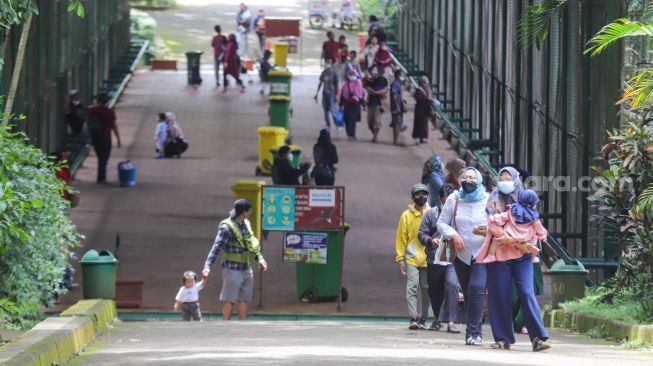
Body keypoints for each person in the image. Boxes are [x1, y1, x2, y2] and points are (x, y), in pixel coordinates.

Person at [482, 187, 551, 351]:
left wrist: (515, 241)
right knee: (500, 295)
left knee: (527, 292)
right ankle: (502, 338)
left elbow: (542, 235)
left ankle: (537, 338)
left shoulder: (530, 215)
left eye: (509, 178)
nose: (506, 182)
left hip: (524, 258)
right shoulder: (501, 205)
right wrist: (512, 239)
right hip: (501, 256)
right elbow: (491, 225)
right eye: (503, 177)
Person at [437, 167, 489, 346]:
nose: (468, 180)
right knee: (468, 291)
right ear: (460, 180)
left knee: (477, 288)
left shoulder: (488, 200)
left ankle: (471, 332)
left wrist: (485, 232)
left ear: (480, 180)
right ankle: (477, 330)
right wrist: (453, 234)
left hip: (482, 252)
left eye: (472, 177)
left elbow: (497, 224)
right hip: (461, 254)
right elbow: (441, 223)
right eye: (465, 177)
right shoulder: (454, 198)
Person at [203, 199, 268, 320]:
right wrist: (207, 266)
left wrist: (260, 258)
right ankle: (225, 326)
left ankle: (242, 327)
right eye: (249, 211)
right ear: (244, 212)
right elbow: (216, 247)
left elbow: (251, 243)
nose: (250, 213)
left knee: (244, 299)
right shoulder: (226, 228)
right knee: (230, 299)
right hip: (232, 268)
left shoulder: (246, 224)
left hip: (246, 268)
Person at [419, 199, 461, 333]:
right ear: (441, 199)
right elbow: (421, 233)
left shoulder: (460, 213)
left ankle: (451, 321)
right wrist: (431, 241)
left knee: (452, 284)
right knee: (434, 290)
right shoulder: (431, 213)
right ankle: (438, 317)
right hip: (434, 258)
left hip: (453, 258)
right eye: (445, 200)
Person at [395, 183, 431, 330]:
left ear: (428, 196)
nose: (421, 197)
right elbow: (401, 238)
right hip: (411, 257)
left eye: (423, 194)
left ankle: (424, 317)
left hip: (428, 258)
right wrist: (400, 258)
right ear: (412, 197)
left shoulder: (432, 213)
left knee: (426, 288)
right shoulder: (406, 216)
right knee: (412, 287)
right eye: (417, 194)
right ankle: (413, 317)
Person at [477, 189, 545, 264]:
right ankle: (533, 257)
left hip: (510, 234)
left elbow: (503, 217)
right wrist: (543, 236)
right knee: (533, 239)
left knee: (495, 240)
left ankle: (491, 256)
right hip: (525, 237)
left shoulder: (513, 209)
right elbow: (538, 227)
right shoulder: (533, 216)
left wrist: (494, 218)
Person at [87, 93, 121, 184]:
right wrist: (118, 138)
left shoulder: (93, 110)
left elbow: (89, 122)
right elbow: (114, 126)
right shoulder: (110, 112)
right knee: (104, 158)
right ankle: (101, 178)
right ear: (107, 101)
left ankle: (101, 177)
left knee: (100, 157)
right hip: (106, 136)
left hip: (95, 136)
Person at [364, 65, 388, 143]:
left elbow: (384, 90)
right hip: (370, 103)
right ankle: (374, 134)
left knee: (377, 121)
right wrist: (377, 92)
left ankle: (375, 137)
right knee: (370, 121)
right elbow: (368, 89)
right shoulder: (369, 80)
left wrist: (375, 92)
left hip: (379, 103)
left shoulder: (383, 80)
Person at [339, 69, 365, 140]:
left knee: (352, 119)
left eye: (353, 74)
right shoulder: (345, 84)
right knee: (347, 119)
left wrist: (364, 105)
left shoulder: (359, 84)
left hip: (355, 104)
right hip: (347, 104)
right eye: (351, 74)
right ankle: (349, 133)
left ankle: (351, 134)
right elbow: (342, 95)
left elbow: (361, 95)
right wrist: (340, 105)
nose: (352, 76)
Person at [314, 58, 339, 129]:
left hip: (332, 94)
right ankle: (328, 124)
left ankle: (336, 123)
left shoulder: (334, 73)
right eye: (326, 63)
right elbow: (320, 83)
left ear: (331, 64)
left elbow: (336, 84)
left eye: (329, 63)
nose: (327, 64)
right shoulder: (324, 72)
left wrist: (337, 95)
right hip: (325, 93)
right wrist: (316, 94)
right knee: (325, 110)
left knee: (332, 109)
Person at [413, 75, 434, 144]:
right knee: (419, 123)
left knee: (424, 124)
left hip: (425, 109)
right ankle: (418, 137)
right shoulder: (419, 90)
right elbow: (419, 99)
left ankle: (423, 137)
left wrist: (431, 100)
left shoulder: (428, 89)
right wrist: (429, 100)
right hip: (420, 109)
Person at [389, 69, 407, 145]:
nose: (403, 76)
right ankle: (395, 141)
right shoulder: (395, 84)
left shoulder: (399, 84)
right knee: (397, 123)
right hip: (396, 107)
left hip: (398, 105)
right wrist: (397, 107)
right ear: (398, 75)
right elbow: (394, 95)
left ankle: (395, 140)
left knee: (397, 123)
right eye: (402, 75)